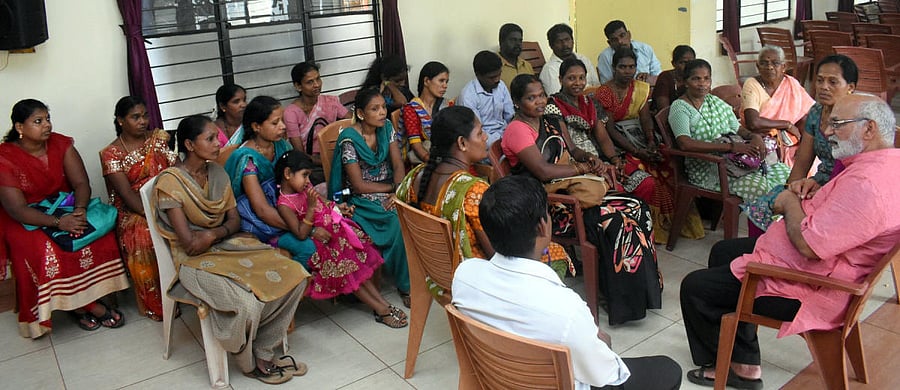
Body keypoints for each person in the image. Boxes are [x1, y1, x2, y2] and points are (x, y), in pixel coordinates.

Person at [680, 94, 900, 389]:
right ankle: (743, 357)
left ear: (869, 129)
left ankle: (739, 372)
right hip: (828, 264)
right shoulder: (889, 163)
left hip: (817, 285)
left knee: (696, 287)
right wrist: (817, 190)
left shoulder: (866, 185)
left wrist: (789, 203)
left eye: (838, 124)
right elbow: (847, 215)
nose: (828, 132)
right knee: (723, 251)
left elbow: (810, 247)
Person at [452, 175, 682, 390]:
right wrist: (601, 345)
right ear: (543, 226)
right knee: (668, 370)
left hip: (498, 379)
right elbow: (605, 375)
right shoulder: (566, 311)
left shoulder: (464, 276)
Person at [152, 115, 311, 384]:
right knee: (246, 302)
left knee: (294, 274)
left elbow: (234, 220)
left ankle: (263, 347)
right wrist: (215, 235)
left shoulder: (217, 172)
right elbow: (190, 243)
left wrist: (215, 233)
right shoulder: (170, 183)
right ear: (190, 144)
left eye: (217, 137)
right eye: (210, 139)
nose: (218, 144)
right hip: (193, 262)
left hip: (227, 244)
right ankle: (248, 361)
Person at [502, 74, 661, 325]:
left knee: (637, 207)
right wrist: (581, 170)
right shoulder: (517, 130)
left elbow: (573, 150)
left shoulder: (552, 120)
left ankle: (644, 291)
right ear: (517, 103)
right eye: (531, 98)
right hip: (554, 205)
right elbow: (543, 171)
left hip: (575, 192)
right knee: (617, 222)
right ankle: (621, 302)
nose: (539, 102)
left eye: (541, 95)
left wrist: (591, 158)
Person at [0, 99, 130, 338]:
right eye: (38, 121)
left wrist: (79, 211)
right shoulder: (4, 157)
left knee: (98, 234)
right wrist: (60, 223)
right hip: (24, 218)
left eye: (47, 119)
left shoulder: (62, 144)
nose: (47, 125)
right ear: (19, 127)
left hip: (65, 207)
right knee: (45, 249)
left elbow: (81, 183)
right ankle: (87, 306)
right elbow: (16, 209)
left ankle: (85, 299)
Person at [396, 106, 573, 280]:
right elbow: (497, 256)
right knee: (557, 254)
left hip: (437, 274)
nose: (486, 137)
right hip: (475, 278)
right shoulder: (472, 191)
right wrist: (541, 243)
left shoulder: (415, 176)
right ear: (462, 143)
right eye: (480, 133)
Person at [275, 150, 406, 328]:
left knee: (357, 263)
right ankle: (380, 309)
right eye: (304, 175)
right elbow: (300, 233)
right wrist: (312, 210)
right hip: (322, 243)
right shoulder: (284, 204)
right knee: (348, 268)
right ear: (287, 174)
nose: (308, 181)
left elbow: (324, 201)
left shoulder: (305, 189)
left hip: (334, 234)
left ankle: (382, 304)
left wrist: (338, 207)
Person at [596, 47, 705, 243]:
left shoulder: (640, 87)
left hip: (639, 136)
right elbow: (609, 128)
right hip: (617, 143)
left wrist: (652, 141)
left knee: (668, 162)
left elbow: (645, 117)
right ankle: (651, 228)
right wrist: (638, 151)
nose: (628, 71)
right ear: (614, 68)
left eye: (631, 67)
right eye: (622, 67)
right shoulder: (604, 92)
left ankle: (675, 224)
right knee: (648, 175)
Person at [743, 55, 858, 234]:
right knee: (760, 210)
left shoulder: (858, 119)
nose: (823, 87)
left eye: (833, 82)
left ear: (850, 87)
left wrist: (819, 192)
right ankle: (759, 256)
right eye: (819, 80)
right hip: (817, 181)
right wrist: (791, 191)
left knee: (805, 225)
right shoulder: (816, 113)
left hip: (846, 188)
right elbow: (802, 163)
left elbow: (860, 170)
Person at [327, 88, 410, 307]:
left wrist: (398, 191)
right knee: (395, 220)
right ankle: (405, 285)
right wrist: (390, 187)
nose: (382, 112)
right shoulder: (349, 140)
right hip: (359, 197)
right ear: (361, 114)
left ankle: (407, 283)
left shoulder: (387, 128)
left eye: (383, 107)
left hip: (389, 190)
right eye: (375, 109)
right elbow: (358, 184)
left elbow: (398, 164)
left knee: (403, 212)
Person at [668, 59, 791, 204]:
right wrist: (731, 147)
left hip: (735, 162)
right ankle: (766, 223)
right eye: (696, 79)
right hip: (709, 168)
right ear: (685, 81)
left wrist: (754, 136)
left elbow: (738, 128)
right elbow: (685, 144)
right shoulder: (680, 108)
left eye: (706, 78)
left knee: (786, 175)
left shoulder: (714, 101)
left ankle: (782, 221)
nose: (702, 83)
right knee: (761, 188)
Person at [100, 96, 177, 321]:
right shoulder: (111, 154)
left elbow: (177, 170)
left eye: (145, 115)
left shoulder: (159, 139)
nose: (143, 121)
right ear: (120, 121)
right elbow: (126, 195)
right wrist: (157, 214)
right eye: (135, 117)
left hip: (168, 198)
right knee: (143, 235)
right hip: (133, 209)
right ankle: (158, 303)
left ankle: (191, 289)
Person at [223, 96, 316, 265]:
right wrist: (308, 228)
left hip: (288, 211)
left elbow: (302, 181)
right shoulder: (248, 159)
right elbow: (262, 210)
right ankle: (299, 289)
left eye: (282, 120)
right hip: (261, 223)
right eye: (275, 123)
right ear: (256, 127)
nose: (282, 126)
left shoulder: (281, 146)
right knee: (310, 249)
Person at [740, 45, 815, 166]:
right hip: (762, 140)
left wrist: (803, 145)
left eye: (775, 63)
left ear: (783, 67)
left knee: (809, 164)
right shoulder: (752, 85)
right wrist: (787, 125)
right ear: (758, 67)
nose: (769, 67)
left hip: (792, 140)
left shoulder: (791, 84)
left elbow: (807, 115)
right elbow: (753, 123)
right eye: (764, 63)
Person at [284, 61, 351, 185]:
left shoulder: (331, 102)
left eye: (318, 79)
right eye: (310, 82)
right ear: (298, 86)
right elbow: (300, 153)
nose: (316, 85)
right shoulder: (291, 113)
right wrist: (323, 161)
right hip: (311, 164)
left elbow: (352, 123)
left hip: (335, 157)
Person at [457, 50, 515, 147]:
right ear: (478, 74)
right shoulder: (468, 96)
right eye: (492, 77)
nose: (497, 80)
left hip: (505, 135)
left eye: (499, 75)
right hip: (485, 142)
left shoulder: (501, 85)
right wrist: (502, 139)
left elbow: (510, 116)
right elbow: (475, 133)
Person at [399, 61, 452, 164]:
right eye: (441, 81)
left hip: (444, 157)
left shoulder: (446, 105)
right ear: (427, 81)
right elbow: (416, 146)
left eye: (446, 82)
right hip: (422, 161)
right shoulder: (411, 109)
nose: (445, 86)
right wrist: (436, 164)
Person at [539, 23, 600, 95]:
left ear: (573, 40)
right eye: (559, 41)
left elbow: (597, 85)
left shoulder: (583, 59)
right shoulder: (550, 69)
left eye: (567, 40)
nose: (565, 44)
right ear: (551, 45)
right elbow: (557, 97)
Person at [597, 20, 662, 84]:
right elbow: (606, 84)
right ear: (609, 43)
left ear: (629, 35)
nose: (620, 41)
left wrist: (648, 77)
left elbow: (658, 77)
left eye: (622, 36)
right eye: (614, 40)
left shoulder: (645, 49)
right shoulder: (605, 57)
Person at [652, 45, 696, 111]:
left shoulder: (697, 77)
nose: (688, 66)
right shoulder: (665, 77)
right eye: (683, 62)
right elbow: (663, 109)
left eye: (691, 62)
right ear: (673, 63)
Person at [498, 23, 534, 88]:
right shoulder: (494, 66)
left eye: (520, 40)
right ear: (501, 41)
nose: (518, 44)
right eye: (513, 40)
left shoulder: (527, 66)